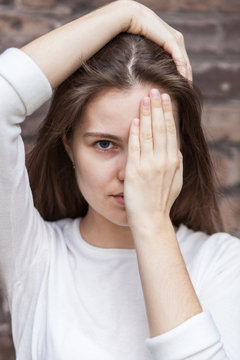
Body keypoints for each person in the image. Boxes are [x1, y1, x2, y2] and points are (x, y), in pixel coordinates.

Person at [0, 0, 239, 359]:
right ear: (69, 148)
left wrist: (153, 222)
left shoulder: (222, 263)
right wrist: (124, 13)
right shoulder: (38, 257)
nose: (131, 173)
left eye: (152, 143)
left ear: (179, 149)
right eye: (105, 144)